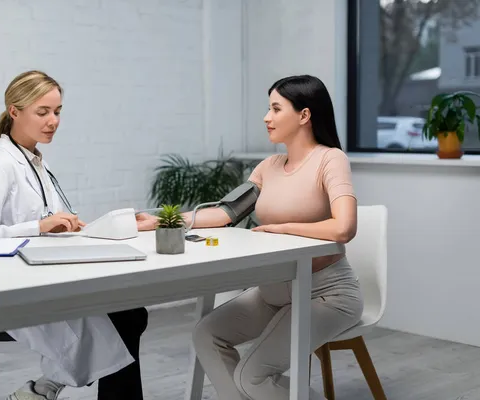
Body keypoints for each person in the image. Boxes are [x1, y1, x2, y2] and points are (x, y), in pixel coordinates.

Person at [136, 75, 363, 399]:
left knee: (253, 376)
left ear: (304, 115)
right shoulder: (268, 166)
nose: (266, 117)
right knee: (207, 334)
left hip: (326, 293)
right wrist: (162, 220)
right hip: (273, 293)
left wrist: (284, 227)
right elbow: (225, 213)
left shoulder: (331, 159)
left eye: (275, 108)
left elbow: (344, 227)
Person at [0, 70, 148, 400]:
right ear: (14, 111)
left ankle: (43, 387)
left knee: (130, 311)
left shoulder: (36, 163)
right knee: (124, 317)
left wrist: (101, 226)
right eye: (43, 112)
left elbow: (52, 222)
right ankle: (44, 387)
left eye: (58, 111)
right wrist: (38, 227)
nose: (53, 121)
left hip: (42, 276)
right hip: (11, 289)